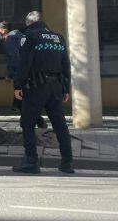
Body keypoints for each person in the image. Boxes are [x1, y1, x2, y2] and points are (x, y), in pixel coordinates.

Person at [12, 11, 74, 174]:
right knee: (60, 124)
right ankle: (67, 162)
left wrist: (18, 86)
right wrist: (66, 88)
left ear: (29, 23)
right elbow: (65, 65)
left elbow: (25, 64)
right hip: (56, 86)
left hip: (36, 85)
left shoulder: (30, 37)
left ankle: (31, 162)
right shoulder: (59, 38)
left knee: (27, 123)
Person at [0, 21, 47, 130]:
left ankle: (36, 122)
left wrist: (11, 74)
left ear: (4, 30)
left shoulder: (11, 39)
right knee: (23, 100)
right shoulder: (21, 37)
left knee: (22, 101)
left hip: (20, 74)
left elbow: (14, 58)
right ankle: (31, 121)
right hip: (29, 73)